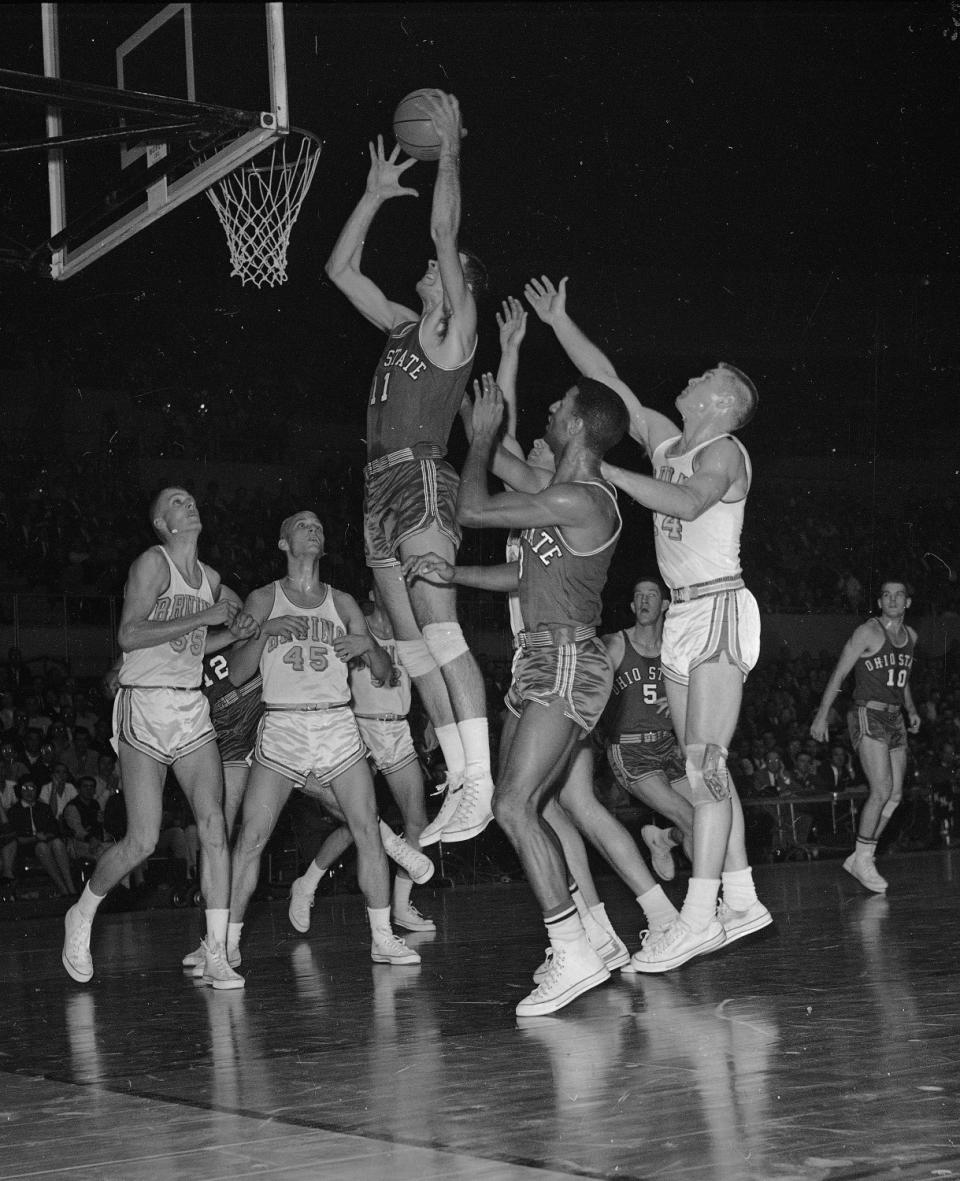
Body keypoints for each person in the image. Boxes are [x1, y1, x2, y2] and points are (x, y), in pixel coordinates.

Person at [523, 274, 771, 972]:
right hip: (684, 613)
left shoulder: (725, 453)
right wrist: (560, 321)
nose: (693, 376)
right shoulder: (667, 439)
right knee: (700, 767)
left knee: (707, 763)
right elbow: (610, 382)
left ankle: (699, 915)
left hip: (718, 603)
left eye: (707, 375)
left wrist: (605, 470)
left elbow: (689, 504)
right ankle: (744, 898)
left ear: (723, 401)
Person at [406, 370, 631, 1016]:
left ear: (580, 424)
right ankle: (584, 936)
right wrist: (457, 572)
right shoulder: (562, 496)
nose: (550, 411)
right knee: (529, 806)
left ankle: (576, 947)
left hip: (565, 659)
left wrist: (478, 439)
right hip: (542, 658)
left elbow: (472, 506)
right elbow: (524, 567)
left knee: (513, 805)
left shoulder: (584, 499)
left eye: (559, 405)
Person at [325, 91, 495, 847]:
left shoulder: (457, 333)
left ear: (462, 283)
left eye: (442, 265)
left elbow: (445, 224)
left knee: (442, 628)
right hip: (376, 490)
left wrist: (450, 149)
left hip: (423, 478)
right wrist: (367, 197)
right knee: (411, 643)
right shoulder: (400, 325)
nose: (430, 263)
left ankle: (479, 782)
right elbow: (339, 270)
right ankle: (459, 775)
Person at [61, 487, 257, 988]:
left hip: (189, 704)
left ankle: (216, 950)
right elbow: (128, 636)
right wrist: (205, 616)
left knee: (214, 824)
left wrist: (236, 630)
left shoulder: (210, 579)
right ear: (162, 523)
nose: (188, 504)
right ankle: (81, 913)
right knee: (143, 840)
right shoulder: (152, 563)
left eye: (192, 499)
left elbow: (198, 644)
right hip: (144, 703)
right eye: (176, 502)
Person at [224, 510, 420, 971]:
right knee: (252, 838)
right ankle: (226, 942)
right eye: (303, 524)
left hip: (335, 724)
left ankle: (382, 937)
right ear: (282, 542)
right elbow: (236, 672)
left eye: (320, 525)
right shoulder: (263, 598)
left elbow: (386, 674)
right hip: (284, 725)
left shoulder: (345, 602)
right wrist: (267, 631)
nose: (314, 528)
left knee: (367, 828)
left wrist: (368, 649)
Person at [287, 585, 435, 936]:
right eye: (390, 584)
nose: (398, 590)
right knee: (357, 820)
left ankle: (400, 905)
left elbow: (427, 679)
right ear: (374, 591)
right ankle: (307, 885)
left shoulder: (411, 632)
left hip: (396, 728)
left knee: (417, 822)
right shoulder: (354, 625)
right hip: (358, 727)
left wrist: (429, 717)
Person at [810, 579, 920, 891]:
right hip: (867, 712)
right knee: (882, 788)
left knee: (896, 795)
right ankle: (863, 857)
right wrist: (821, 715)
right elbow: (840, 673)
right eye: (887, 595)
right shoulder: (868, 631)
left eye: (899, 595)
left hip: (894, 716)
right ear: (881, 601)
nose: (893, 600)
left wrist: (910, 709)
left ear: (908, 603)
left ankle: (861, 856)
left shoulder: (911, 636)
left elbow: (904, 677)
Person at [601, 576, 695, 883]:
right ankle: (707, 905)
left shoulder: (674, 648)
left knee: (708, 819)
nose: (643, 601)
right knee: (692, 818)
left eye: (651, 595)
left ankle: (664, 839)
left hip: (669, 745)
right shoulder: (615, 644)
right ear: (631, 605)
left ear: (665, 604)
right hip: (631, 750)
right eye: (638, 595)